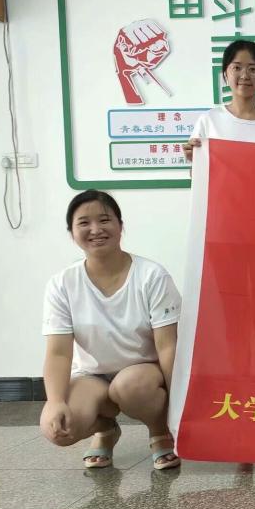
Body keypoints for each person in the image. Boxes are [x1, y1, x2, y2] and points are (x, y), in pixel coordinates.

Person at [40, 191, 182, 470]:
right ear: (72, 233)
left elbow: (168, 346)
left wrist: (178, 405)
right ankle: (105, 428)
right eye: (84, 223)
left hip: (143, 374)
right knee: (56, 427)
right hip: (91, 376)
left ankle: (159, 431)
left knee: (128, 387)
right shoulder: (62, 284)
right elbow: (58, 353)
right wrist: (55, 401)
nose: (95, 229)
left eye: (104, 220)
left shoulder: (152, 275)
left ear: (120, 226)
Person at [183, 39, 255, 161]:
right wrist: (194, 160)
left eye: (253, 69)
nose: (245, 76)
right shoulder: (209, 121)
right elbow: (199, 172)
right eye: (237, 68)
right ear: (225, 73)